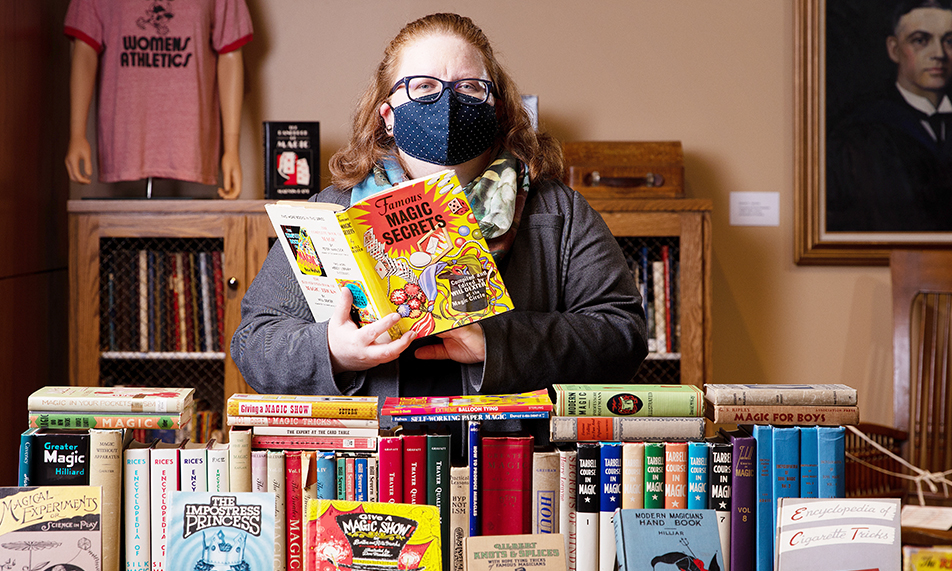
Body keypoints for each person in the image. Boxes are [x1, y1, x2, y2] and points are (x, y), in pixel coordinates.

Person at [230, 13, 648, 444]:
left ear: (497, 109)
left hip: (512, 470)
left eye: (469, 87)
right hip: (372, 471)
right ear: (388, 115)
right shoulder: (329, 212)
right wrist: (333, 351)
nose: (447, 103)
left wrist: (497, 343)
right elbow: (253, 344)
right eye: (424, 87)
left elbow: (623, 335)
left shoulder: (557, 211)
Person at [63, 0, 253, 199]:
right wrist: (77, 134)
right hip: (123, 148)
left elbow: (230, 52)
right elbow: (84, 49)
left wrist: (231, 149)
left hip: (191, 151)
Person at [827, 0, 952, 231]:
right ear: (894, 49)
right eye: (921, 40)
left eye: (949, 41)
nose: (939, 54)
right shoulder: (857, 136)